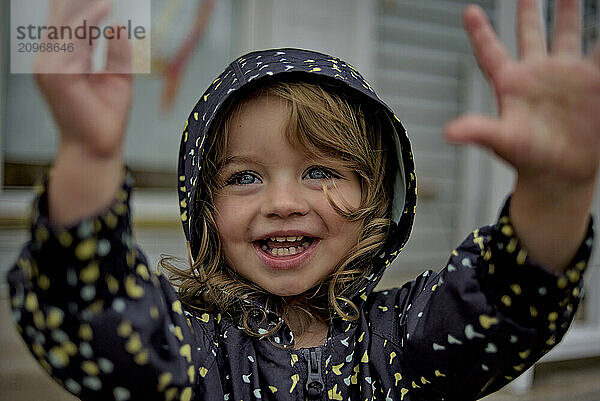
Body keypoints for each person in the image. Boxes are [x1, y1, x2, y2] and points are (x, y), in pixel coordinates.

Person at [7, 0, 600, 400]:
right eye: (244, 177)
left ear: (374, 197)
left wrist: (553, 195)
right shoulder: (189, 348)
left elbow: (506, 301)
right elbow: (92, 317)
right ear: (203, 206)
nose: (283, 202)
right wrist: (87, 156)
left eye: (320, 170)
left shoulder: (404, 339)